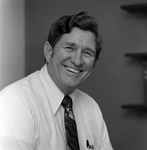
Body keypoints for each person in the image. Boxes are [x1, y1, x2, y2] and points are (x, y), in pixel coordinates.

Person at [0, 11, 113, 150]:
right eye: (70, 48)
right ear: (48, 51)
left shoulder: (91, 107)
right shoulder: (15, 101)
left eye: (87, 53)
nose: (77, 61)